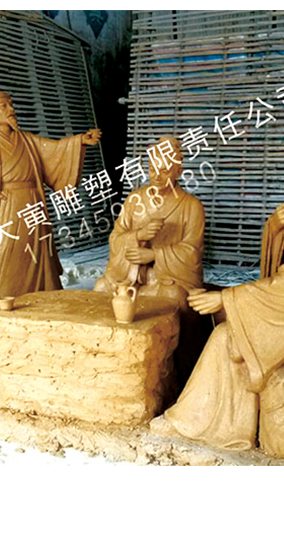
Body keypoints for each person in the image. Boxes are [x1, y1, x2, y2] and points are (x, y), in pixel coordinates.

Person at [150, 131, 284, 449]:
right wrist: (276, 229)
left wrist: (227, 299)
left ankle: (199, 423)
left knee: (227, 336)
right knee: (214, 303)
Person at [0, 89, 101, 297]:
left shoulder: (26, 140)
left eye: (11, 104)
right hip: (4, 209)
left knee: (38, 251)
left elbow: (53, 150)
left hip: (33, 203)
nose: (11, 109)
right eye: (3, 106)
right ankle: (3, 295)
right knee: (5, 252)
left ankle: (47, 294)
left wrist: (79, 141)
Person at [94, 137, 206, 385]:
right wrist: (137, 237)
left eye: (165, 170)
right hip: (132, 275)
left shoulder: (191, 206)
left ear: (178, 171)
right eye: (153, 168)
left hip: (166, 278)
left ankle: (174, 371)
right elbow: (116, 238)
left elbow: (192, 252)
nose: (157, 175)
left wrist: (155, 255)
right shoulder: (134, 201)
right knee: (101, 288)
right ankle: (106, 360)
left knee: (175, 299)